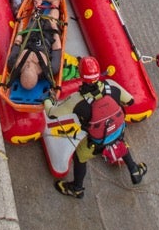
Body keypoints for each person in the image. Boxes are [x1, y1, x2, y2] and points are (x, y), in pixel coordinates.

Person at [47, 56, 146, 197]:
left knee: (80, 157)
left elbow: (52, 113)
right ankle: (134, 170)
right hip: (119, 130)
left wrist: (48, 99)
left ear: (81, 75)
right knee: (118, 140)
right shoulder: (111, 85)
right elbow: (130, 101)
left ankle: (77, 188)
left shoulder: (76, 100)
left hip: (97, 142)